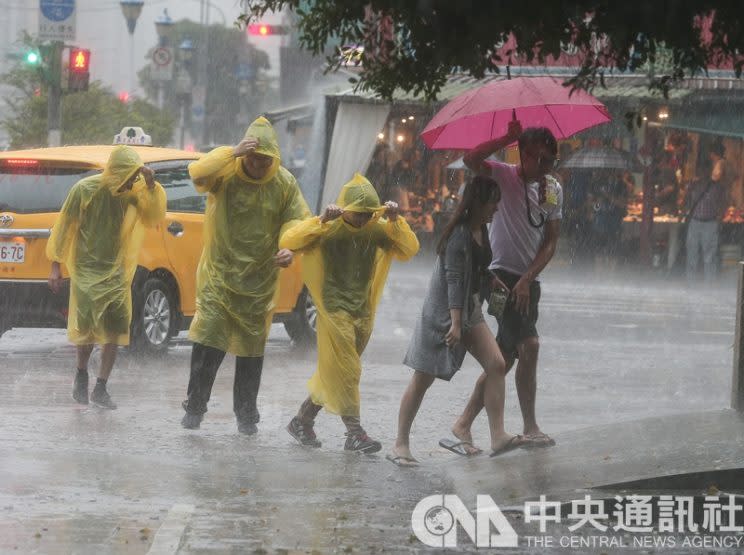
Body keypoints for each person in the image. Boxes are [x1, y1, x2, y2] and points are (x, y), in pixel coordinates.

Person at [181, 116, 311, 434]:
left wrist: (289, 247)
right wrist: (232, 152)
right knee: (208, 342)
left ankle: (246, 415)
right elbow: (197, 172)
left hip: (259, 280)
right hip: (219, 277)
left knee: (252, 351)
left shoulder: (284, 183)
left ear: (273, 158)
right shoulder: (225, 172)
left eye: (264, 159)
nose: (257, 163)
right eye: (252, 156)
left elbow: (297, 219)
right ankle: (195, 408)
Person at [389, 175, 526, 466]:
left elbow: (476, 267)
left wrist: (493, 280)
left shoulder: (482, 231)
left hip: (469, 308)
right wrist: (454, 323)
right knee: (423, 376)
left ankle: (496, 434)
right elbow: (453, 279)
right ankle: (400, 443)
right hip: (443, 313)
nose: (496, 209)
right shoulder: (459, 235)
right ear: (477, 202)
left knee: (497, 364)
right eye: (493, 203)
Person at [282, 173, 419, 453]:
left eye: (369, 214)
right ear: (345, 209)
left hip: (362, 311)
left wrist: (395, 220)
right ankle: (355, 433)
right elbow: (290, 239)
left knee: (336, 372)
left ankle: (302, 420)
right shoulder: (329, 228)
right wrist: (321, 220)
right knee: (347, 371)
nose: (362, 220)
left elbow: (409, 248)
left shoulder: (376, 228)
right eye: (358, 214)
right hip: (334, 310)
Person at [457, 119, 563, 449]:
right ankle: (529, 426)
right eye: (537, 159)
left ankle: (463, 423)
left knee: (504, 355)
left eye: (550, 161)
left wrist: (528, 279)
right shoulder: (502, 175)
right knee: (528, 346)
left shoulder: (553, 190)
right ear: (522, 155)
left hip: (528, 280)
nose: (542, 167)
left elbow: (550, 241)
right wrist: (506, 137)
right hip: (499, 277)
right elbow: (470, 160)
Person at [47, 146, 166, 409]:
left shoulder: (133, 193)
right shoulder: (84, 190)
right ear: (116, 172)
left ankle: (101, 386)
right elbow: (63, 228)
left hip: (117, 272)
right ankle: (81, 373)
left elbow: (153, 215)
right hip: (87, 270)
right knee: (88, 329)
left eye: (134, 176)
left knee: (115, 328)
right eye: (129, 176)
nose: (131, 181)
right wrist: (55, 266)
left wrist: (150, 183)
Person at [685, 141, 733, 283]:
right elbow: (687, 199)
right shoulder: (695, 185)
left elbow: (724, 201)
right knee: (694, 255)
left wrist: (719, 215)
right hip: (697, 222)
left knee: (708, 257)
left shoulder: (718, 186)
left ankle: (708, 285)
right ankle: (692, 284)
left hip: (709, 223)